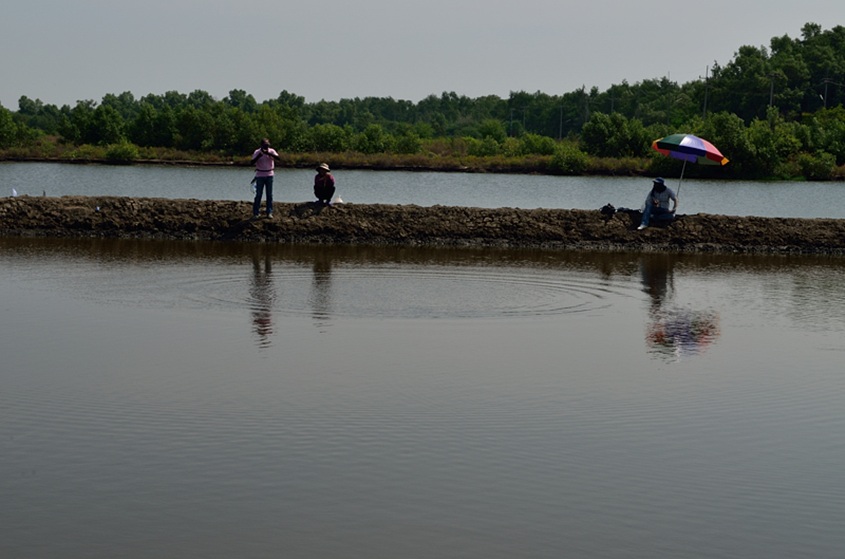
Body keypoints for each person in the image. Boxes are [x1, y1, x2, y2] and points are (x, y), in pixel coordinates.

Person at [250, 138, 281, 218]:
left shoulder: (271, 151)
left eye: (267, 145)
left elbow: (278, 158)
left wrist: (269, 154)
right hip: (260, 175)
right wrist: (259, 155)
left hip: (269, 174)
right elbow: (251, 162)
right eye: (265, 146)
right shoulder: (257, 152)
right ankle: (256, 213)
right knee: (259, 194)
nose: (266, 147)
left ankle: (269, 212)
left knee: (269, 195)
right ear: (261, 145)